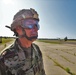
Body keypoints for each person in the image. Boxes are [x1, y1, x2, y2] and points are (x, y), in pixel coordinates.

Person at [0, 8, 46, 75]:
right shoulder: (5, 57)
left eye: (36, 25)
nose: (35, 29)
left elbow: (42, 72)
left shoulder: (37, 49)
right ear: (18, 28)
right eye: (30, 24)